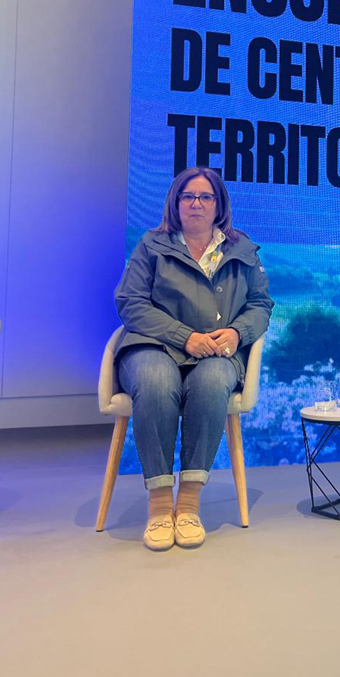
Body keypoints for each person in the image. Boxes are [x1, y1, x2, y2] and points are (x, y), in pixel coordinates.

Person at [114, 167, 273, 550]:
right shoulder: (151, 245)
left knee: (213, 380)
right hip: (153, 346)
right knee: (155, 380)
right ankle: (159, 506)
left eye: (205, 197)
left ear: (219, 205)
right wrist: (185, 338)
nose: (196, 204)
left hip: (217, 353)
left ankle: (187, 504)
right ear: (176, 202)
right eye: (188, 196)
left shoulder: (242, 249)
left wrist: (237, 333)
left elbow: (260, 304)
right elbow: (131, 303)